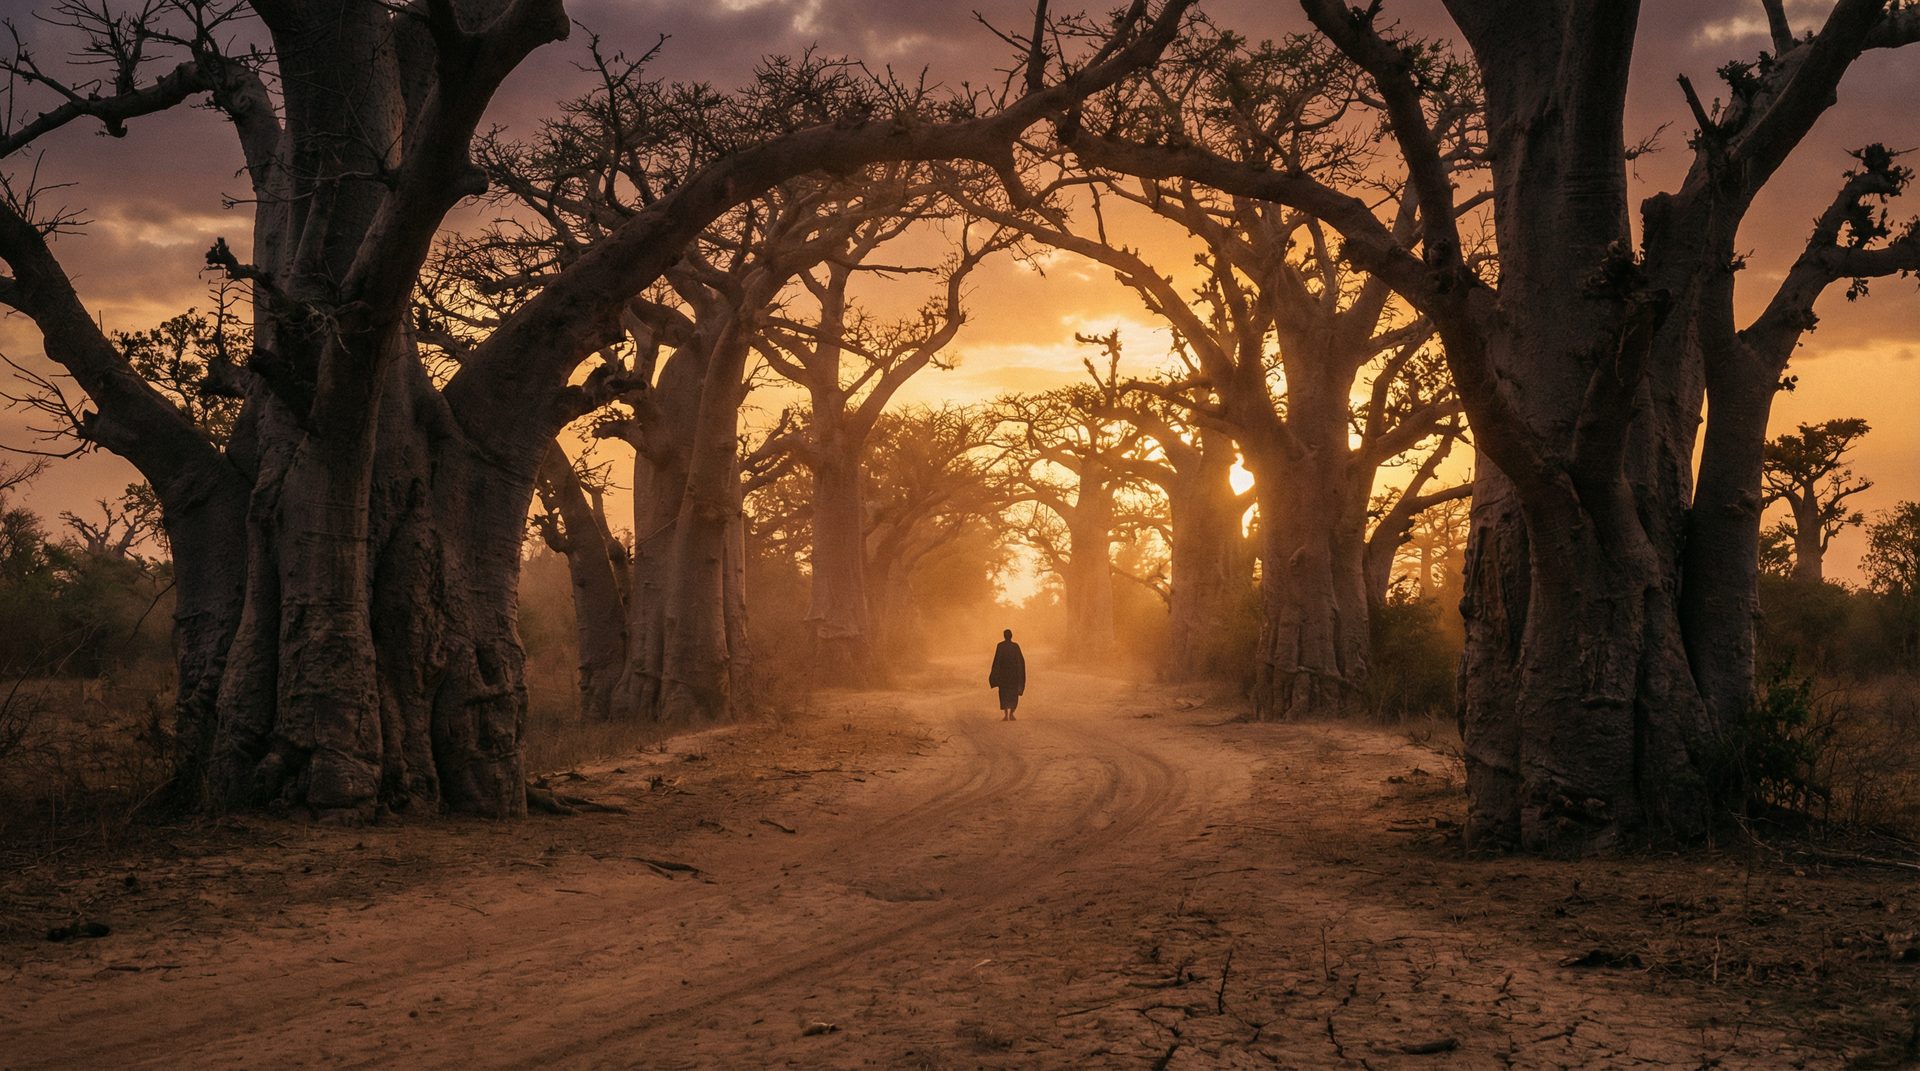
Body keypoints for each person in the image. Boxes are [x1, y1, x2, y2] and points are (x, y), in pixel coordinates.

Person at [988, 628, 1026, 721]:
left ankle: (1006, 715)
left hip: (1003, 675)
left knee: (1004, 694)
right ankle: (1012, 714)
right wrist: (1020, 675)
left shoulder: (1000, 646)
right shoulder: (1015, 646)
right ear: (1011, 636)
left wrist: (995, 675)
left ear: (1004, 636)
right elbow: (1020, 661)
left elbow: (996, 661)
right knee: (1013, 694)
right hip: (1014, 675)